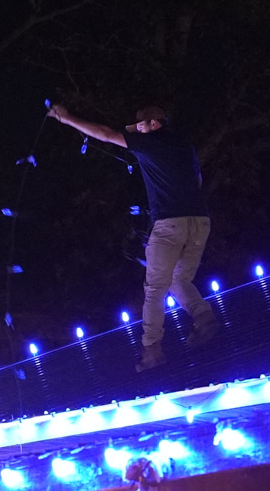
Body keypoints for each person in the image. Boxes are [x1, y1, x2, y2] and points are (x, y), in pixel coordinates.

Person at [47, 103, 220, 372]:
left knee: (155, 289)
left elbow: (105, 134)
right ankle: (204, 317)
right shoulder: (184, 145)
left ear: (153, 124)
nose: (137, 131)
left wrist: (68, 119)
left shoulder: (149, 142)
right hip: (200, 221)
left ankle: (151, 350)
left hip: (169, 224)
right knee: (179, 280)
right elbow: (196, 180)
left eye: (140, 126)